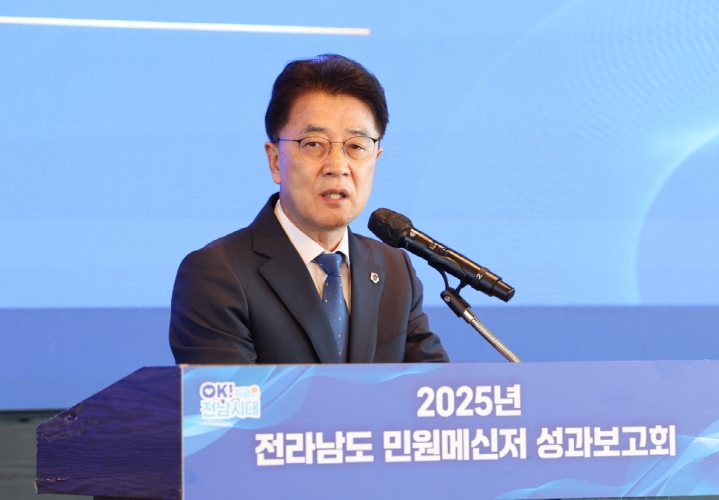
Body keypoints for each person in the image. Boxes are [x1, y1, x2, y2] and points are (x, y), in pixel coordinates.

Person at [169, 54, 448, 364]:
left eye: (356, 146)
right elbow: (231, 394)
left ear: (375, 159)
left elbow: (433, 387)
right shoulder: (216, 273)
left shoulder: (395, 270)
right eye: (314, 144)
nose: (338, 166)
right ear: (275, 160)